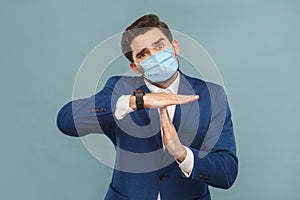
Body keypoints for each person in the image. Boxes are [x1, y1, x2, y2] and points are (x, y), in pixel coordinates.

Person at [57, 14, 238, 200]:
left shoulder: (211, 95)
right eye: (143, 54)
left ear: (175, 47)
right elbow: (66, 121)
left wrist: (182, 154)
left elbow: (227, 172)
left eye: (159, 46)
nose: (156, 56)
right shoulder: (120, 89)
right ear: (135, 67)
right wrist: (136, 102)